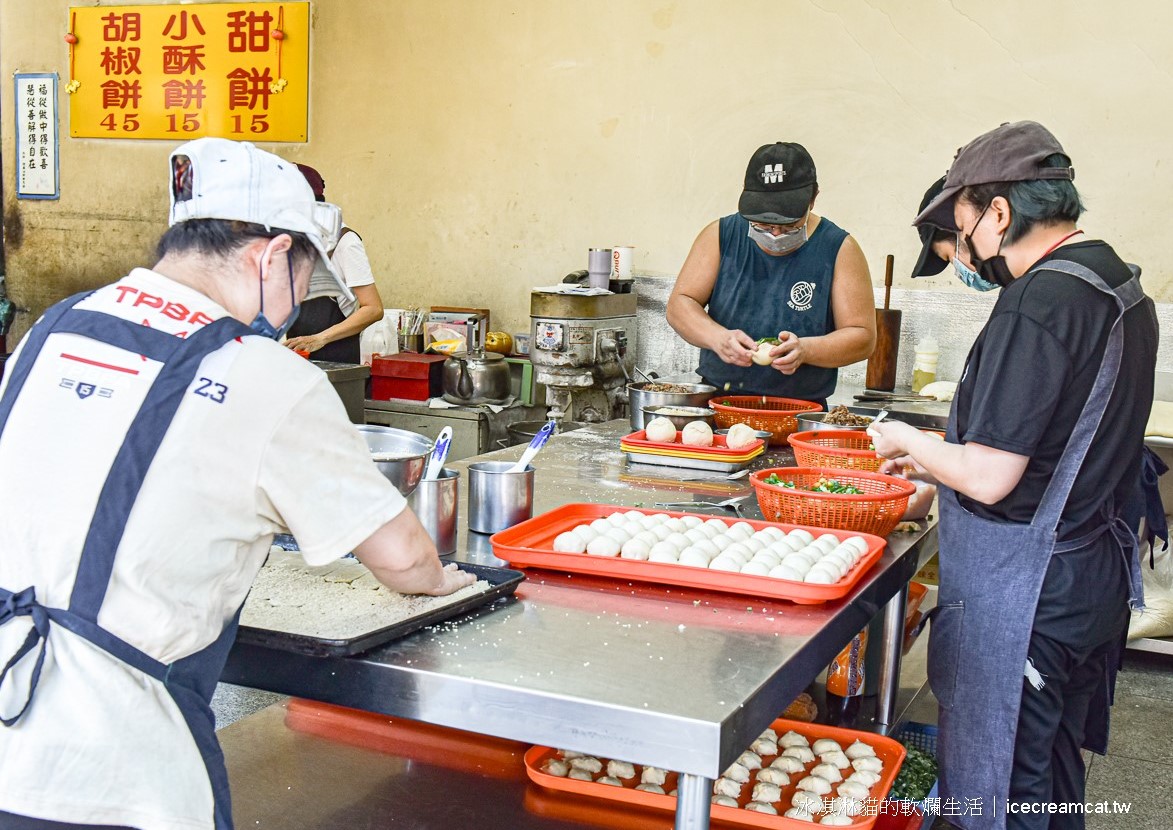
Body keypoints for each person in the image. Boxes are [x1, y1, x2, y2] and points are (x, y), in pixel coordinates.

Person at [0, 137, 474, 830]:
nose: (292, 309)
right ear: (273, 255)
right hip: (110, 772)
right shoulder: (266, 375)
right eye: (304, 285)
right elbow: (401, 559)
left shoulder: (55, 327)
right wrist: (439, 581)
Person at [870, 121, 1157, 830]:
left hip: (1028, 597)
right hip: (1084, 578)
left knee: (1006, 794)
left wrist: (903, 436)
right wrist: (938, 463)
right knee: (1050, 772)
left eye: (961, 222)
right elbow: (1056, 445)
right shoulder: (1112, 280)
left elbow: (992, 476)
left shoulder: (1040, 301)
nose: (963, 245)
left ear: (997, 213)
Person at [666, 142, 875, 407]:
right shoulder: (720, 236)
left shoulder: (839, 249)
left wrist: (806, 350)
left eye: (788, 224)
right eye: (763, 223)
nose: (775, 233)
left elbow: (862, 336)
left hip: (800, 410)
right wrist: (718, 338)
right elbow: (679, 305)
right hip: (718, 401)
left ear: (813, 199)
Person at [282, 163, 385, 363]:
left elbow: (373, 309)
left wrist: (320, 338)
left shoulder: (344, 243)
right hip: (298, 356)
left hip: (336, 359)